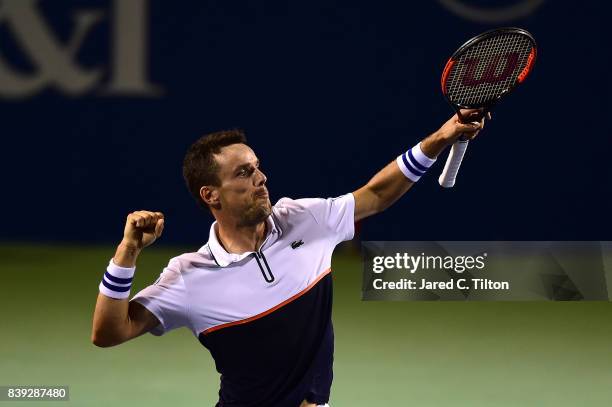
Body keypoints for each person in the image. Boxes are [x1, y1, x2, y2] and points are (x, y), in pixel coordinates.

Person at [91, 110, 488, 407]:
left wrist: (442, 136)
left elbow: (377, 195)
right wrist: (127, 254)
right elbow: (109, 332)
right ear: (211, 195)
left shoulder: (303, 219)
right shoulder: (188, 276)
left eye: (258, 167)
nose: (260, 178)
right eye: (244, 173)